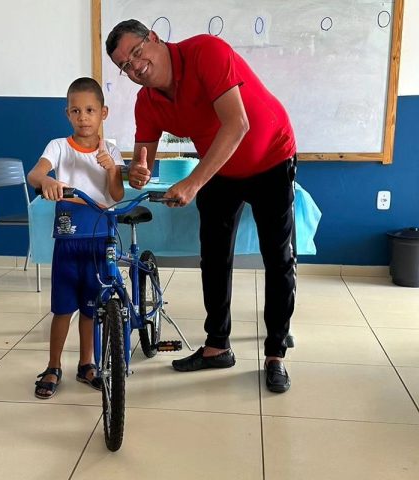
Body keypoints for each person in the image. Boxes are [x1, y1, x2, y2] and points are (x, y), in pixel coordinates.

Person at [106, 20, 297, 393]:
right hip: (220, 168)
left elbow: (237, 124)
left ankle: (275, 353)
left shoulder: (205, 52)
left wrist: (193, 182)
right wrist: (138, 171)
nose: (135, 66)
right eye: (125, 66)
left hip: (271, 156)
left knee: (277, 258)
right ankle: (217, 346)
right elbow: (143, 160)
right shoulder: (148, 101)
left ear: (154, 38)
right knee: (213, 256)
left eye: (137, 52)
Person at [28, 77, 125, 399]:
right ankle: (53, 365)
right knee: (62, 307)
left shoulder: (111, 150)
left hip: (101, 239)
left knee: (91, 306)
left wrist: (112, 169)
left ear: (103, 113)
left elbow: (116, 195)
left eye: (90, 110)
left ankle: (87, 364)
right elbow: (35, 173)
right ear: (67, 113)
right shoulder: (59, 146)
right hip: (69, 238)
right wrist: (47, 181)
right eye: (76, 111)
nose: (83, 117)